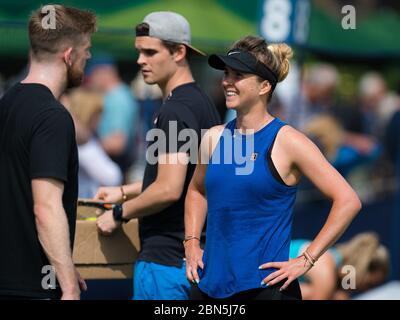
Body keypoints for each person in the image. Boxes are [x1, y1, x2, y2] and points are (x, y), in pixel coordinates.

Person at [184, 35, 361, 300]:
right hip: (209, 286)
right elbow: (196, 191)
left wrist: (306, 259)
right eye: (226, 74)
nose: (227, 82)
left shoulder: (288, 141)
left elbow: (348, 200)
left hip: (265, 290)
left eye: (238, 75)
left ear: (264, 86)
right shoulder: (213, 138)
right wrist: (192, 242)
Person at [94, 11, 221, 300]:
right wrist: (125, 191)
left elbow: (168, 189)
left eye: (150, 52)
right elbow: (184, 177)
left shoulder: (174, 110)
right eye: (139, 52)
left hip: (165, 263)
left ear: (179, 52)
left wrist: (119, 213)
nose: (141, 60)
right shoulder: (201, 103)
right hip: (195, 263)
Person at [0, 5, 96, 300]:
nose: (89, 57)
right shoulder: (52, 116)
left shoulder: (8, 102)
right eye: (87, 50)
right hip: (34, 287)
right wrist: (68, 287)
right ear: (69, 55)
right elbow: (45, 208)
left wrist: (63, 265)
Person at [289, 232, 390, 300]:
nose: (366, 290)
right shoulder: (325, 266)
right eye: (369, 284)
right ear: (362, 269)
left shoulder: (330, 260)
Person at [62, 89, 123, 198]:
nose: (100, 120)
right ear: (88, 113)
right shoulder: (82, 143)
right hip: (82, 205)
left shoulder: (83, 139)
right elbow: (112, 177)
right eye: (97, 115)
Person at [85, 55, 140, 177]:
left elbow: (117, 143)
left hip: (117, 168)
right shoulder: (113, 96)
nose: (90, 82)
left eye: (92, 76)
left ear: (104, 73)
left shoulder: (118, 98)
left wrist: (84, 149)